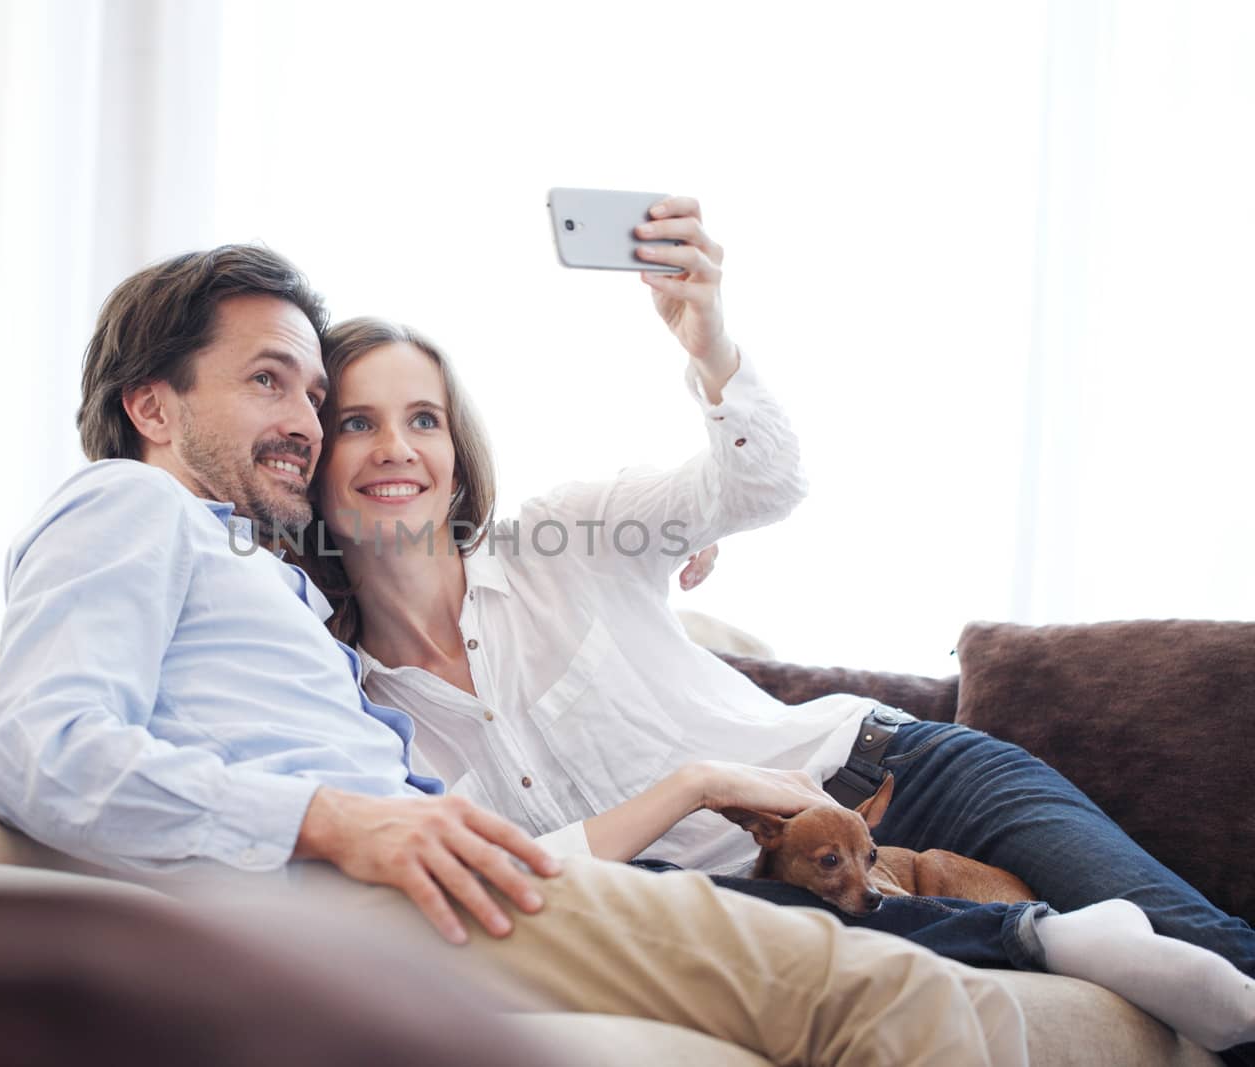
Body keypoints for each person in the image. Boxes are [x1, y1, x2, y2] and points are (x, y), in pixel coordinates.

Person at [0, 244, 1029, 1066]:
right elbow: (36, 749)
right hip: (377, 900)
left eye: (307, 394)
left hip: (455, 878)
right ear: (150, 405)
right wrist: (336, 819)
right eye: (265, 382)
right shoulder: (128, 503)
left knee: (912, 965)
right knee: (899, 990)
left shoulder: (276, 580)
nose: (303, 419)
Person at [292, 198, 1255, 1055]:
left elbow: (760, 484)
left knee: (1213, 954)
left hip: (894, 774)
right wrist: (690, 788)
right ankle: (1056, 938)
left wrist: (707, 342)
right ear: (310, 462)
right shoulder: (355, 708)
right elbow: (522, 884)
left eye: (423, 419)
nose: (396, 450)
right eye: (357, 423)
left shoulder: (561, 536)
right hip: (756, 897)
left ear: (458, 453)